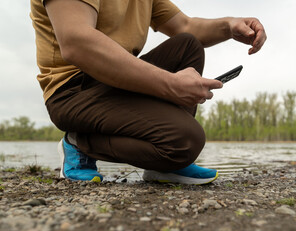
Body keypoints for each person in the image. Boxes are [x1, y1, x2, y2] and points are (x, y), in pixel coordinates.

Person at [30, 0, 266, 184]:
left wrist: (229, 25)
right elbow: (76, 42)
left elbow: (186, 26)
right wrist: (172, 84)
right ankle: (77, 141)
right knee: (185, 141)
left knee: (188, 45)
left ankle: (161, 164)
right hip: (73, 91)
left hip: (116, 82)